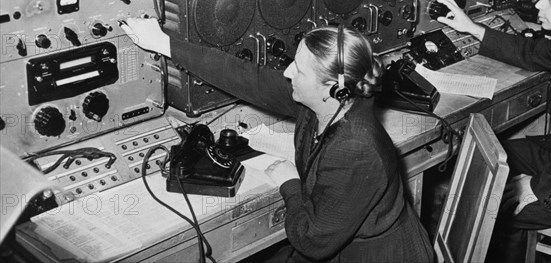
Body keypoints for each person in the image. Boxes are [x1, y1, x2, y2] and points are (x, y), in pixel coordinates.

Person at [120, 19, 434, 262]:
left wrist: (290, 183)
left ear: (331, 88)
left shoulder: (356, 148)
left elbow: (313, 241)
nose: (287, 72)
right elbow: (248, 77)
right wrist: (163, 43)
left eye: (298, 69)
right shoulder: (327, 102)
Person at [436, 0, 551, 261]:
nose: (538, 4)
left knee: (498, 204)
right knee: (487, 163)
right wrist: (472, 28)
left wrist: (538, 187)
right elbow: (532, 52)